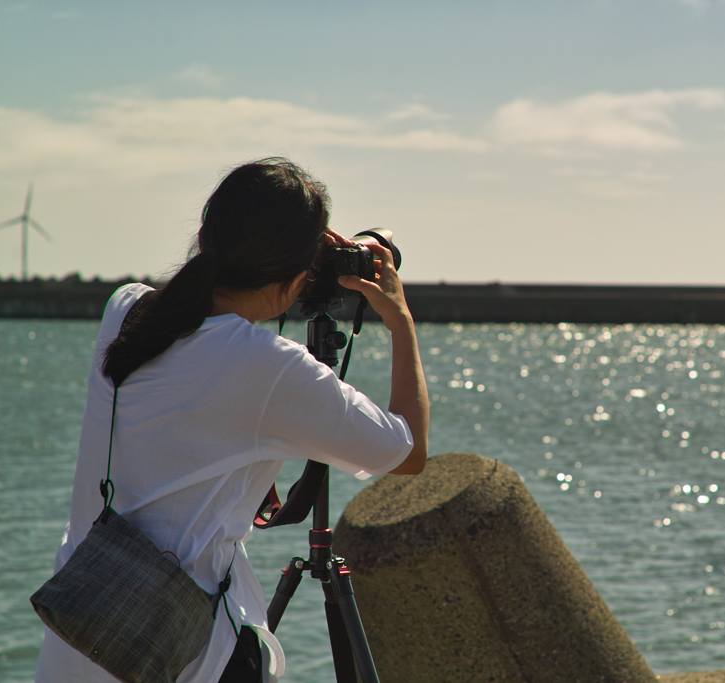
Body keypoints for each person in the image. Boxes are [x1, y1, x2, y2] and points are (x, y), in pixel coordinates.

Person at [34, 158, 429, 683]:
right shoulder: (271, 369)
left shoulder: (126, 310)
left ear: (204, 236)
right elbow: (407, 453)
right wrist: (400, 321)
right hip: (181, 656)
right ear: (298, 275)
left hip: (81, 633)